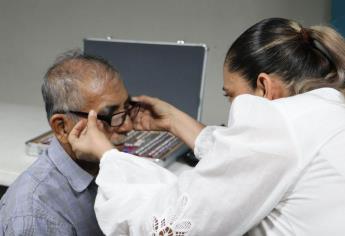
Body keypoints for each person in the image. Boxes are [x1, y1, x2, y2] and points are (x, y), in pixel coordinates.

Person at [69, 18, 345, 235]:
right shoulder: (325, 111)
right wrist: (175, 121)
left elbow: (170, 226)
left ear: (264, 86)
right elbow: (250, 160)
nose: (231, 104)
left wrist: (108, 156)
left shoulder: (278, 123)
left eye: (231, 95)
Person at [0, 50, 140, 235]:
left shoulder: (107, 168)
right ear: (62, 128)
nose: (128, 126)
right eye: (110, 116)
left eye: (128, 109)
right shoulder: (36, 216)